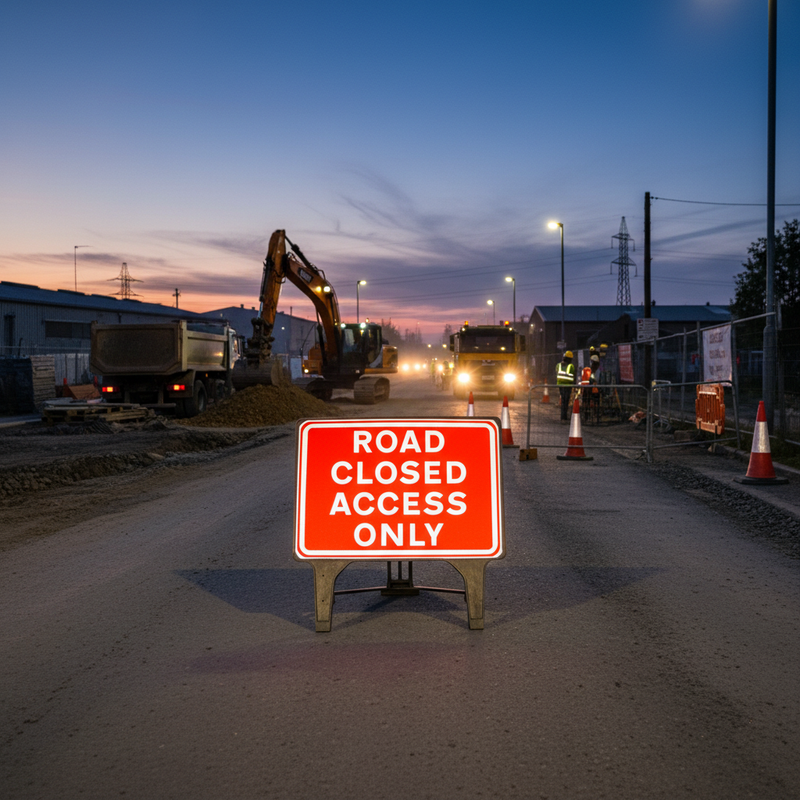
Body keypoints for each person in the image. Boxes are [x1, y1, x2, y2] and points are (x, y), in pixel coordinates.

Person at [556, 350, 575, 421]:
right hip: (568, 386)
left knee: (563, 401)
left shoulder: (558, 365)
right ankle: (564, 417)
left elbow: (557, 371)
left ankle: (563, 417)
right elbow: (573, 376)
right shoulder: (571, 366)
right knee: (566, 401)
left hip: (560, 385)